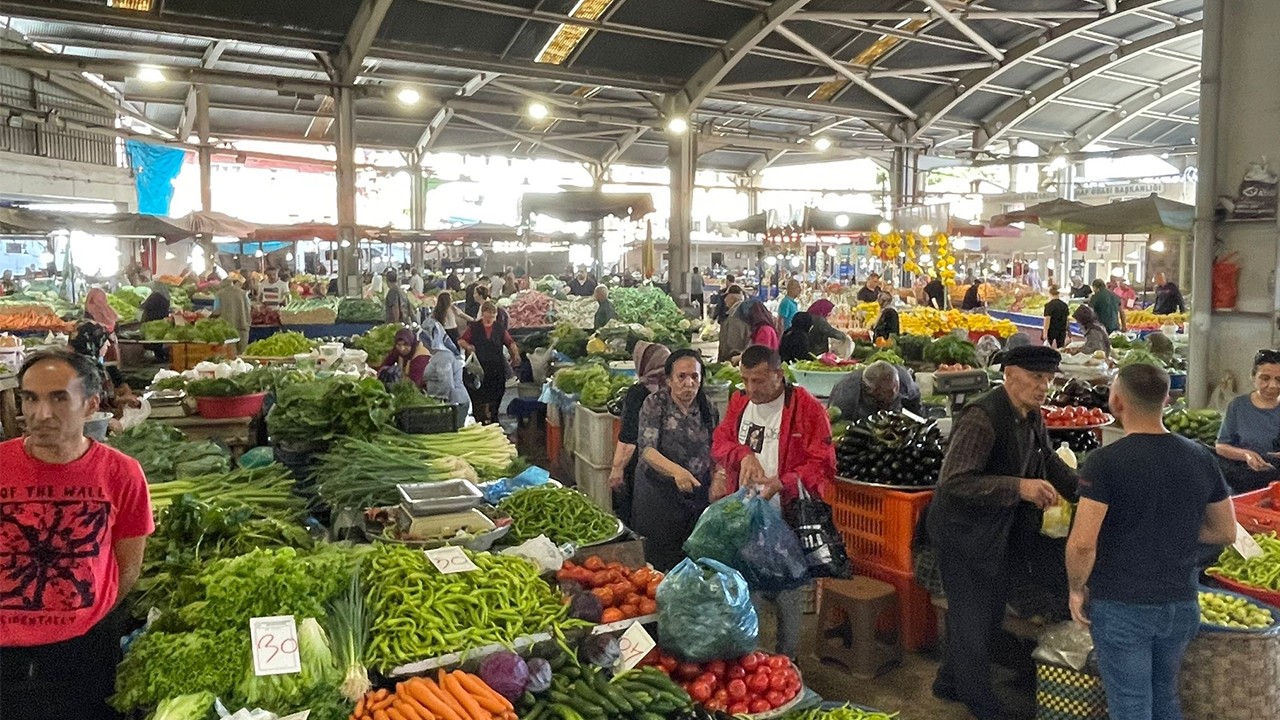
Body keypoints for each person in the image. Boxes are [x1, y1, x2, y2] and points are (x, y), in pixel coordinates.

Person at [1066, 363, 1236, 720]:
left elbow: (1083, 542)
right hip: (1180, 602)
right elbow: (1225, 531)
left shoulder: (1104, 463)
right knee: (1165, 698)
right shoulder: (1200, 456)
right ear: (1166, 400)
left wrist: (1076, 588)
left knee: (1131, 705)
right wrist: (1175, 530)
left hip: (1123, 605)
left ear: (1117, 401)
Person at [926, 345, 1078, 720]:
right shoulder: (983, 417)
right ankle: (980, 701)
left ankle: (948, 682)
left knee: (987, 609)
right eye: (1035, 378)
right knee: (973, 615)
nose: (1043, 387)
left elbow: (1048, 460)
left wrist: (1086, 490)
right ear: (1009, 373)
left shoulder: (1030, 415)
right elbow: (955, 482)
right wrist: (1020, 487)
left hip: (993, 530)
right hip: (962, 532)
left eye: (1048, 379)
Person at [0, 350, 153, 720]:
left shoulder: (122, 474)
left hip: (85, 653)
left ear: (90, 404)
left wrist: (85, 617)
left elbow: (127, 567)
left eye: (58, 398)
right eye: (30, 398)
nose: (41, 413)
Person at [712, 345, 835, 659]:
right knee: (745, 589)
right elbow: (721, 441)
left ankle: (787, 659)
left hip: (787, 517)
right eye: (746, 380)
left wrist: (783, 483)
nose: (751, 389)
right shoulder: (739, 402)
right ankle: (748, 659)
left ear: (779, 376)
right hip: (744, 515)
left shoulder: (805, 407)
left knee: (787, 593)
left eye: (759, 381)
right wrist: (743, 454)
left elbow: (823, 462)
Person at [633, 348, 718, 572]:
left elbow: (716, 447)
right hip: (659, 495)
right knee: (660, 563)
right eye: (681, 377)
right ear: (669, 380)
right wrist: (677, 472)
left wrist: (719, 476)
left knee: (694, 557)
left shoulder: (707, 407)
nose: (688, 383)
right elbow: (647, 450)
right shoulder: (655, 404)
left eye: (695, 377)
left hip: (696, 495)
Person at [609, 341, 671, 528]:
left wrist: (617, 469)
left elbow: (629, 437)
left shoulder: (638, 393)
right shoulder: (674, 389)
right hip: (672, 465)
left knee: (639, 515)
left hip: (643, 465)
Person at [1215, 348, 1280, 492]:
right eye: (1265, 378)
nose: (1273, 386)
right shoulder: (1238, 406)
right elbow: (1221, 447)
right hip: (1244, 482)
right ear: (1253, 377)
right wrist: (1246, 455)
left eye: (1279, 379)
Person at [459, 301, 521, 424]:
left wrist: (516, 355)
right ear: (483, 313)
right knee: (478, 392)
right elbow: (461, 341)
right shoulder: (474, 327)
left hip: (496, 365)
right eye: (488, 314)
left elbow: (510, 342)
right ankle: (480, 416)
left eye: (493, 315)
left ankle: (494, 415)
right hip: (479, 366)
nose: (490, 318)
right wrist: (468, 346)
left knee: (497, 390)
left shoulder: (499, 328)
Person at [828, 360, 922, 421]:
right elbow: (837, 427)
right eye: (887, 391)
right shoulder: (845, 394)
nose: (894, 392)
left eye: (896, 387)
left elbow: (915, 405)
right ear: (871, 390)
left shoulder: (904, 379)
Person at [419, 319, 471, 420]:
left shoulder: (442, 357)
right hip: (455, 402)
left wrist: (439, 404)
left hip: (455, 403)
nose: (423, 344)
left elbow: (446, 383)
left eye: (424, 340)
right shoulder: (439, 355)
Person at [213, 274, 251, 354]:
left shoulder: (219, 295)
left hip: (227, 330)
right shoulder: (244, 294)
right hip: (242, 327)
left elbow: (216, 311)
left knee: (229, 355)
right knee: (241, 354)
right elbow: (248, 309)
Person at [716, 285, 749, 363]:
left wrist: (726, 359)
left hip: (734, 360)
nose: (725, 300)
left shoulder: (735, 316)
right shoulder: (743, 311)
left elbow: (733, 343)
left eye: (726, 297)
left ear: (731, 298)